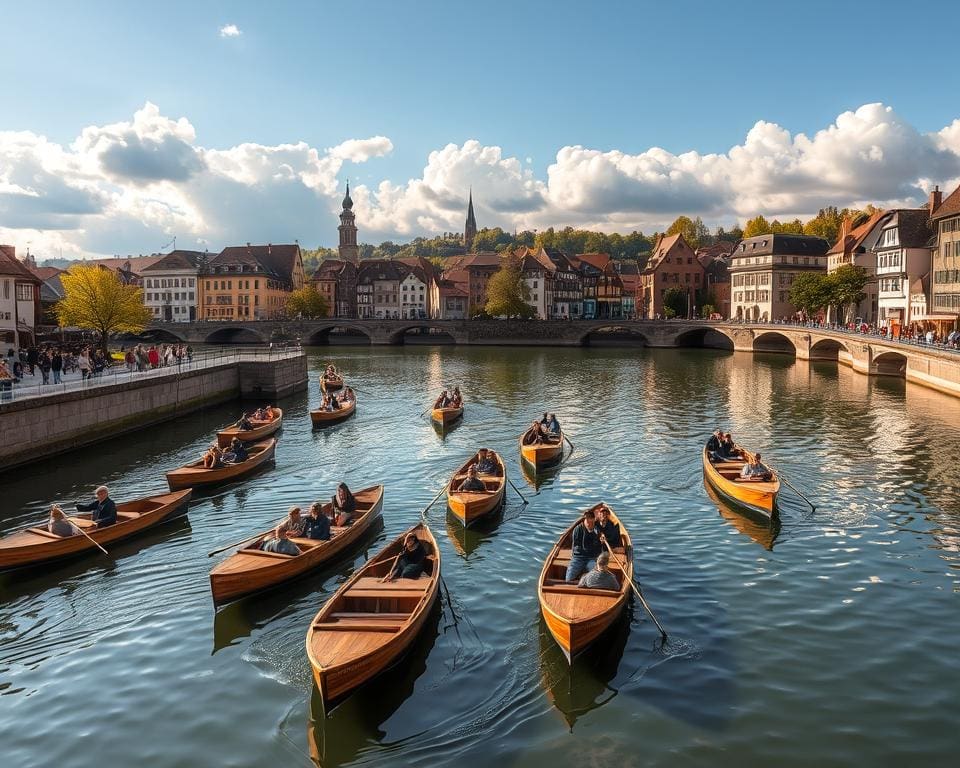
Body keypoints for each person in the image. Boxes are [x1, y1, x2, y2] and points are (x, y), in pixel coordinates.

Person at [565, 508, 602, 582]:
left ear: (594, 520)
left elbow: (598, 548)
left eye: (590, 518)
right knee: (568, 579)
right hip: (578, 558)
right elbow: (576, 547)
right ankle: (583, 576)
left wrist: (601, 541)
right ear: (584, 520)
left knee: (596, 579)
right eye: (586, 519)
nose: (588, 521)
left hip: (592, 558)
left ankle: (584, 577)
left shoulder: (597, 531)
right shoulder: (577, 529)